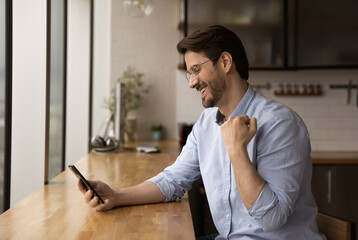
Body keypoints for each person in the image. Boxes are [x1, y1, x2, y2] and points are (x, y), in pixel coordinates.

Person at [78, 25, 324, 240]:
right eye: (190, 73)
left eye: (196, 70)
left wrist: (237, 151)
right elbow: (174, 180)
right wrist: (116, 196)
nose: (191, 82)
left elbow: (272, 219)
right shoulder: (207, 123)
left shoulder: (280, 123)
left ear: (225, 62)